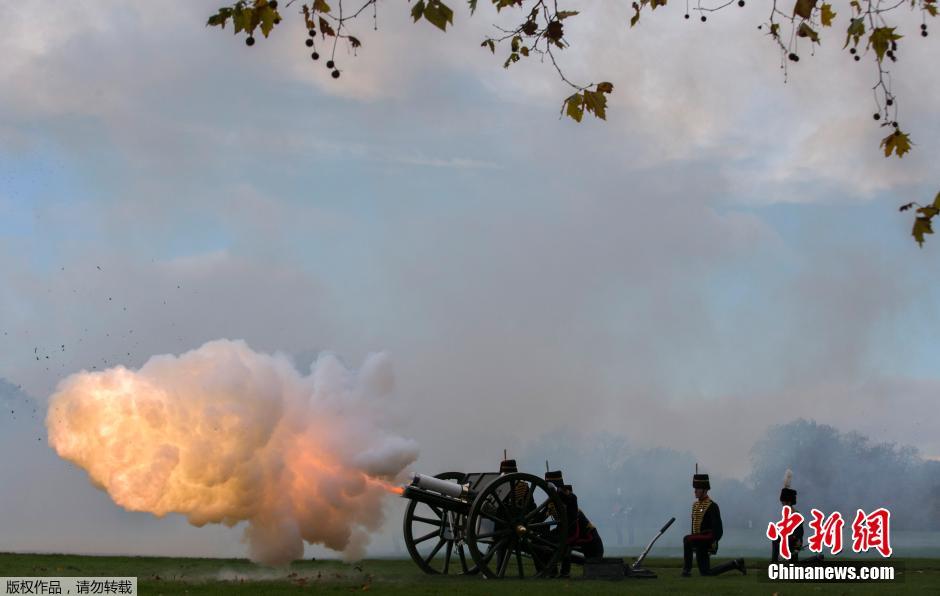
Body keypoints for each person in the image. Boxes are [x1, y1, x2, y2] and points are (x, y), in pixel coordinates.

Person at [681, 470, 746, 577]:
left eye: (697, 488)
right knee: (706, 573)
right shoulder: (695, 506)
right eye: (695, 488)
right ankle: (736, 563)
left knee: (687, 539)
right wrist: (694, 542)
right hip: (699, 541)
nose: (695, 491)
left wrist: (713, 542)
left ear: (705, 490)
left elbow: (718, 530)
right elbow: (694, 527)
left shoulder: (712, 506)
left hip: (708, 538)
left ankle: (686, 570)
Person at [544, 471, 604, 578]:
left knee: (563, 545)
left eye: (565, 491)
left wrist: (555, 490)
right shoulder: (552, 503)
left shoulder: (572, 499)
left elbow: (571, 529)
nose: (565, 492)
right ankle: (554, 572)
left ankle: (564, 573)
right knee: (548, 541)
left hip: (592, 544)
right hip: (571, 534)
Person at [772, 470, 824, 565]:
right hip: (789, 539)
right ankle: (775, 562)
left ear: (788, 502)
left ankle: (816, 559)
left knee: (794, 564)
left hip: (795, 541)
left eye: (783, 502)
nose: (782, 504)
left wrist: (797, 542)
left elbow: (799, 532)